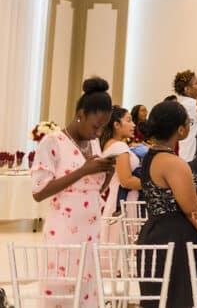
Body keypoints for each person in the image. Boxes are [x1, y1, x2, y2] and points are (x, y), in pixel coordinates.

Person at [31, 78, 116, 308]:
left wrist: (108, 171)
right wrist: (82, 170)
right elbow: (38, 191)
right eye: (95, 126)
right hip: (64, 232)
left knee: (87, 290)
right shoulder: (53, 142)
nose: (98, 133)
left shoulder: (93, 143)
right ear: (80, 114)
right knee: (61, 289)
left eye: (103, 128)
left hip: (91, 230)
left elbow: (94, 189)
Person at [135, 100, 197, 308]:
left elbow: (174, 195)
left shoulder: (151, 156)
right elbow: (191, 210)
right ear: (180, 129)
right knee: (179, 299)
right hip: (175, 238)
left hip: (156, 232)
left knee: (161, 299)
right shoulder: (173, 163)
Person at [100, 106, 142, 243]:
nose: (133, 124)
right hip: (125, 202)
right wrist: (155, 183)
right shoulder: (119, 147)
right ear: (116, 125)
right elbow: (126, 181)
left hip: (118, 199)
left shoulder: (110, 144)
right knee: (121, 248)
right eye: (129, 120)